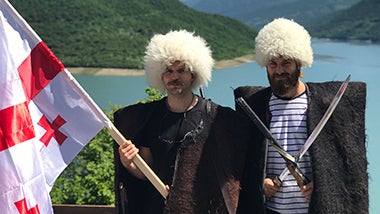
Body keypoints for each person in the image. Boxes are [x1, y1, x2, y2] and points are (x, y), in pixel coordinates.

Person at [234, 18, 368, 213]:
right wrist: (259, 185)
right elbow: (240, 163)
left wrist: (324, 188)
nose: (279, 70)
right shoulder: (254, 106)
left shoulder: (323, 105)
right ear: (266, 65)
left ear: (299, 64)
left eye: (286, 63)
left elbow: (344, 164)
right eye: (273, 63)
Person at [113, 29, 251, 214]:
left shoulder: (217, 117)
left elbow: (230, 172)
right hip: (158, 208)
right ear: (160, 75)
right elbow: (147, 170)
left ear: (193, 74)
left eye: (181, 71)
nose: (174, 77)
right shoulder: (150, 117)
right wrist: (129, 163)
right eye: (168, 71)